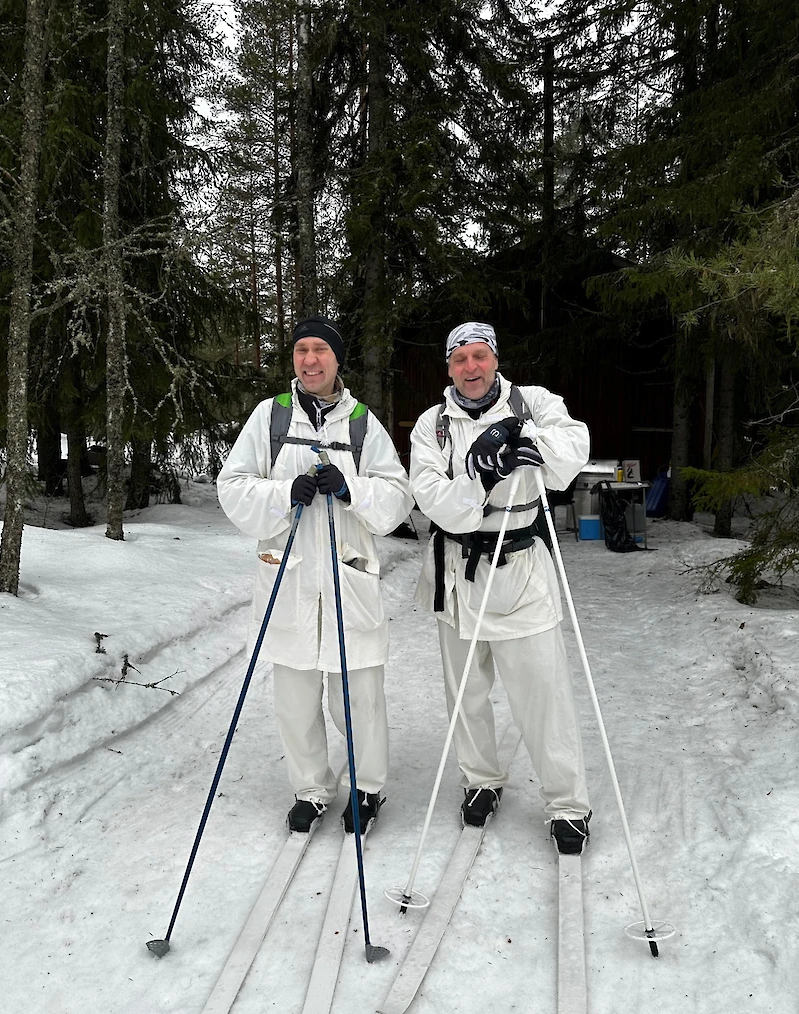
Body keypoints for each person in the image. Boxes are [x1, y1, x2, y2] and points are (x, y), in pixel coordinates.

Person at [217, 315, 413, 835]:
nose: (309, 360)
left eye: (320, 350)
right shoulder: (270, 417)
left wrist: (350, 487)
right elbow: (232, 487)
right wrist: (283, 494)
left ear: (336, 360)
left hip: (348, 581)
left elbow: (397, 497)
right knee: (296, 700)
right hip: (291, 582)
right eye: (301, 350)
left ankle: (367, 789)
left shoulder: (361, 423)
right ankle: (310, 789)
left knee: (359, 699)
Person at [409, 321, 592, 854]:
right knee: (466, 692)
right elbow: (431, 497)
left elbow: (573, 447)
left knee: (543, 693)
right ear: (448, 367)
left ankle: (567, 804)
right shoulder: (432, 425)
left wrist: (517, 436)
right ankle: (480, 780)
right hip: (457, 569)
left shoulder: (531, 402)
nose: (471, 367)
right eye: (459, 358)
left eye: (479, 356)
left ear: (494, 358)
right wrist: (478, 473)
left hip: (521, 565)